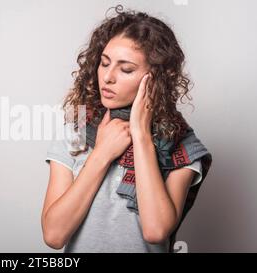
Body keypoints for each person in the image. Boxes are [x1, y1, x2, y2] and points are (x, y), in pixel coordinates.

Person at [41, 5, 212, 253]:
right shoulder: (76, 132)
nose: (108, 77)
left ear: (155, 79)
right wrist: (102, 153)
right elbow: (54, 235)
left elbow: (155, 231)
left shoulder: (181, 146)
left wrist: (141, 134)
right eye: (104, 63)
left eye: (126, 69)